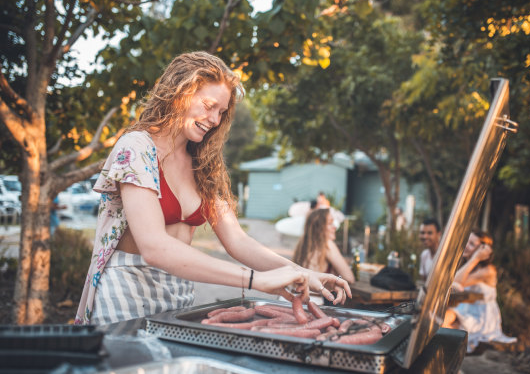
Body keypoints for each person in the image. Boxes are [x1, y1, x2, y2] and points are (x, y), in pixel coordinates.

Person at [75, 52, 351, 325]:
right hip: (126, 293)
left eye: (221, 112)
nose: (215, 120)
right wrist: (256, 280)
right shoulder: (136, 147)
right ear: (179, 93)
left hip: (178, 295)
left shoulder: (202, 162)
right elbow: (154, 247)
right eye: (208, 105)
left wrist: (301, 272)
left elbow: (237, 241)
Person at [443, 230, 516, 353]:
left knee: (443, 325)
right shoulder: (469, 267)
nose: (466, 245)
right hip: (466, 311)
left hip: (481, 317)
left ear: (483, 250)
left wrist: (476, 258)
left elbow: (455, 281)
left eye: (471, 244)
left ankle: (449, 362)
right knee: (440, 320)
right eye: (467, 241)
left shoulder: (488, 271)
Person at [291, 208, 355, 304]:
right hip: (311, 302)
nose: (335, 227)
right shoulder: (326, 244)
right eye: (330, 223)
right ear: (319, 227)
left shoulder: (303, 244)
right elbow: (350, 278)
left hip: (290, 298)